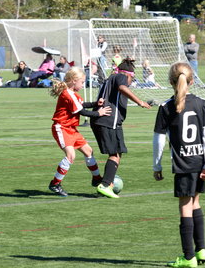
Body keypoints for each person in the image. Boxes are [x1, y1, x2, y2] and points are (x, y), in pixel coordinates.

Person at [152, 62, 205, 268]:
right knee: (195, 202)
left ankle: (188, 257)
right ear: (192, 81)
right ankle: (201, 249)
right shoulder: (201, 103)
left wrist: (157, 165)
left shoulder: (166, 107)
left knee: (185, 206)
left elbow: (159, 140)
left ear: (171, 82)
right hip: (199, 161)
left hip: (183, 163)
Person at [90, 58, 151, 198]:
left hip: (101, 120)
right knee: (115, 154)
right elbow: (122, 88)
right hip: (109, 120)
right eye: (132, 78)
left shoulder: (110, 78)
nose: (131, 82)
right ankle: (105, 185)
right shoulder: (121, 77)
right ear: (128, 74)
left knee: (117, 153)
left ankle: (107, 183)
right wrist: (140, 102)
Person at [48, 67, 111, 196]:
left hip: (71, 129)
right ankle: (55, 184)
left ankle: (96, 179)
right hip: (62, 128)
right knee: (71, 155)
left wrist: (96, 103)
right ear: (73, 80)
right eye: (82, 82)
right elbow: (82, 111)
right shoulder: (67, 94)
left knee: (88, 151)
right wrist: (98, 113)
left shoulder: (73, 94)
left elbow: (82, 105)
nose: (83, 85)